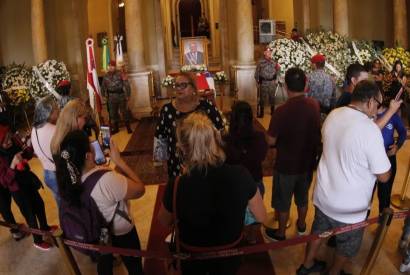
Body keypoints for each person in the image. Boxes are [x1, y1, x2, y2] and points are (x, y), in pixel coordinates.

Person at [297, 80, 394, 275]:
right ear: (369, 102)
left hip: (324, 197)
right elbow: (383, 177)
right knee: (347, 245)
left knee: (318, 233)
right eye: (378, 104)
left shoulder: (334, 114)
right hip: (350, 209)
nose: (378, 110)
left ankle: (306, 265)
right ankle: (334, 272)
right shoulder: (370, 131)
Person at [158, 112, 266, 275]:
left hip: (192, 259)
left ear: (182, 148)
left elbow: (164, 220)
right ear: (215, 141)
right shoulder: (241, 174)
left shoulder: (177, 183)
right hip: (229, 257)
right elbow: (261, 217)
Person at [55, 130, 145, 275]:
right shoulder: (106, 179)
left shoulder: (68, 181)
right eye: (91, 145)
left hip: (99, 232)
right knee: (134, 265)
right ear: (88, 156)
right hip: (121, 231)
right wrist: (119, 162)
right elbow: (140, 190)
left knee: (105, 259)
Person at [264, 68, 321, 241]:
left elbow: (271, 141)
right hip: (307, 163)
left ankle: (281, 233)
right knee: (302, 198)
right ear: (305, 85)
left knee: (283, 201)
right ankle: (302, 226)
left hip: (286, 165)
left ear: (286, 87)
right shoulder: (314, 105)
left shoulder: (281, 111)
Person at [153, 72, 224, 181]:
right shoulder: (167, 110)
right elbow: (160, 138)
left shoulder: (206, 107)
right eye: (177, 85)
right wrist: (162, 164)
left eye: (183, 85)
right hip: (176, 164)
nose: (179, 89)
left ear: (193, 88)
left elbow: (220, 132)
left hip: (206, 163)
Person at [0, 121, 57, 250]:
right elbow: (4, 180)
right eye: (5, 141)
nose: (9, 142)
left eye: (9, 138)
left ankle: (45, 228)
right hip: (17, 189)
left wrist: (30, 145)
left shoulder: (14, 141)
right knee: (30, 215)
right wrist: (13, 165)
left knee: (40, 205)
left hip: (28, 180)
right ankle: (37, 240)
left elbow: (28, 154)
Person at [224, 100, 268, 243]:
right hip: (255, 181)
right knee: (255, 214)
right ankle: (252, 237)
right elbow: (262, 156)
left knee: (236, 213)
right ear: (251, 117)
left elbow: (224, 162)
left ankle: (238, 236)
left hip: (233, 184)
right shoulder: (260, 137)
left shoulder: (226, 140)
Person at [372, 100, 406, 216]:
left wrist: (397, 146)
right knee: (366, 193)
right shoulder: (369, 114)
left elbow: (403, 132)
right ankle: (360, 222)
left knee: (385, 194)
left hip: (388, 157)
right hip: (369, 159)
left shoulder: (392, 115)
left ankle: (383, 225)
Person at [31, 96, 61, 206]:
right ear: (48, 112)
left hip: (47, 174)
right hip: (57, 175)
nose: (58, 110)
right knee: (69, 207)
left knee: (61, 206)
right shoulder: (55, 130)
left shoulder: (34, 129)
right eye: (55, 109)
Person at [101, 60, 132, 134]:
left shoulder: (121, 73)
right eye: (109, 66)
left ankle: (128, 127)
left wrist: (128, 95)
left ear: (115, 67)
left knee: (124, 112)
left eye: (112, 66)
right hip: (111, 97)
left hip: (121, 96)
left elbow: (126, 84)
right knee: (113, 113)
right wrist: (103, 95)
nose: (110, 67)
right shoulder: (106, 76)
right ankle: (116, 128)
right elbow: (103, 87)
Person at [254, 47, 280, 117]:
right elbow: (257, 72)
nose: (269, 54)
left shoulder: (274, 62)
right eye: (268, 52)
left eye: (270, 52)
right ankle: (261, 113)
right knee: (262, 98)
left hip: (272, 82)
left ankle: (272, 111)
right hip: (264, 82)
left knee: (272, 98)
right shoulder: (260, 62)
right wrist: (257, 81)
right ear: (264, 53)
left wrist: (276, 80)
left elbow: (278, 71)